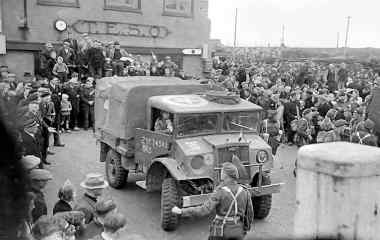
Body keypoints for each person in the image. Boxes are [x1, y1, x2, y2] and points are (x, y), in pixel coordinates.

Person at [172, 162, 254, 240]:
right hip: (238, 231)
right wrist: (244, 230)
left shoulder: (220, 192)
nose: (221, 173)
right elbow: (249, 214)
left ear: (226, 175)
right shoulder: (245, 191)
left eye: (222, 171)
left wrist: (181, 211)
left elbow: (203, 210)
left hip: (221, 231)